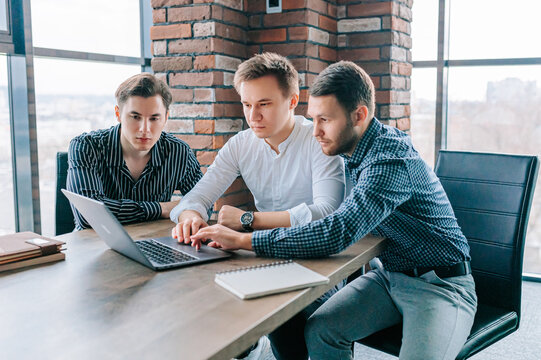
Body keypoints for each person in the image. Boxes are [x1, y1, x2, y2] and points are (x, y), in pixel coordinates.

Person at [188, 61, 478, 360]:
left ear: (359, 115)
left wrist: (244, 239)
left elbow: (336, 231)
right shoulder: (355, 151)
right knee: (320, 330)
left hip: (441, 285)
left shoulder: (389, 160)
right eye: (313, 119)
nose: (316, 132)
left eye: (324, 120)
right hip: (389, 277)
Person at [170, 53, 345, 360]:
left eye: (264, 104)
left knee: (284, 318)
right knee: (201, 298)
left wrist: (249, 220)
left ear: (292, 101)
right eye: (247, 105)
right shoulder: (241, 144)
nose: (254, 116)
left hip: (319, 259)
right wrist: (190, 216)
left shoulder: (319, 139)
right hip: (262, 253)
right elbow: (196, 196)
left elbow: (327, 213)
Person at [67, 73, 202, 230]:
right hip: (94, 246)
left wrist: (189, 212)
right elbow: (88, 215)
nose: (144, 129)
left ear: (165, 117)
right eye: (135, 117)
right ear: (118, 114)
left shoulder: (178, 152)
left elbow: (202, 202)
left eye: (154, 118)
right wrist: (162, 208)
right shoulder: (86, 146)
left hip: (154, 244)